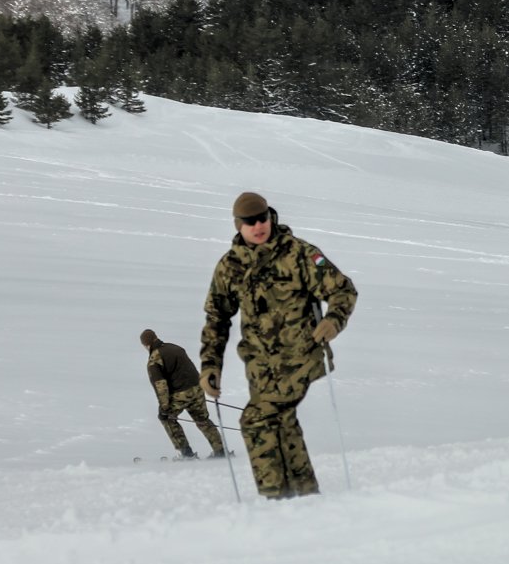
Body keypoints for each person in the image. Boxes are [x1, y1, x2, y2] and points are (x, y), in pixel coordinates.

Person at [199, 191, 358, 498]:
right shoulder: (230, 266)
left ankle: (275, 501)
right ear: (238, 225)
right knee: (282, 424)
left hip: (301, 358)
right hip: (260, 367)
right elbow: (216, 318)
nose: (258, 226)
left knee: (255, 420)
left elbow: (342, 290)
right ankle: (304, 497)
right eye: (250, 222)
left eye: (262, 218)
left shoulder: (299, 253)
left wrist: (333, 321)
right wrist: (210, 365)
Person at [140, 328, 225, 459]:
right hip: (198, 388)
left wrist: (164, 407)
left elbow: (160, 386)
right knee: (202, 420)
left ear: (146, 345)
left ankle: (186, 454)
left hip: (180, 393)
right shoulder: (175, 347)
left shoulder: (154, 360)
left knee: (167, 418)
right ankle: (220, 451)